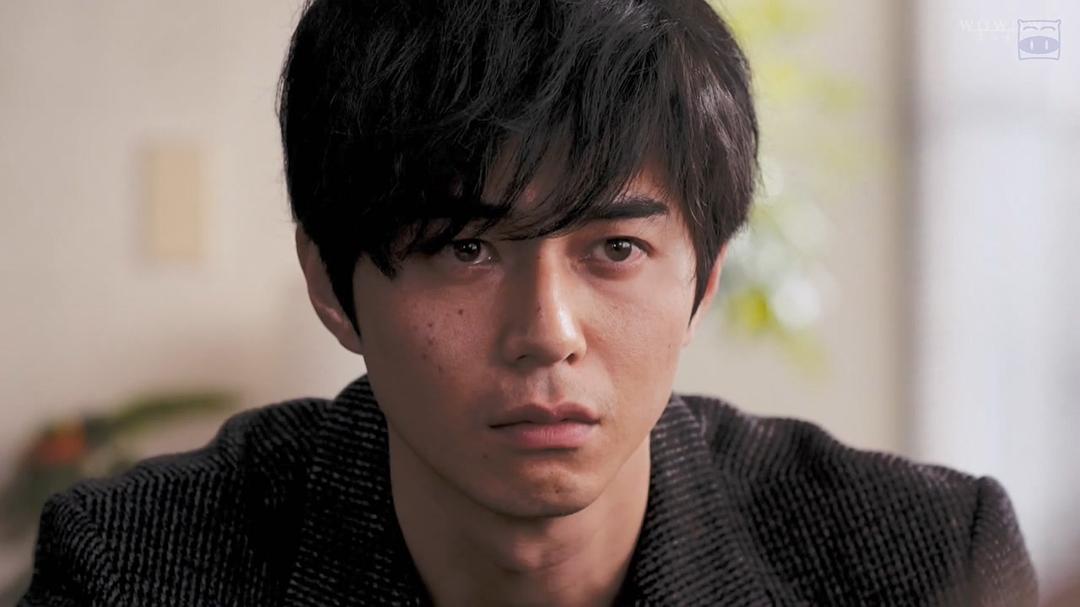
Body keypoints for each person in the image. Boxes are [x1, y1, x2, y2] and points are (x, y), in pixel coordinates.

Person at [21, 1, 1038, 605]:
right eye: (463, 248)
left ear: (706, 278)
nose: (547, 333)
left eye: (616, 249)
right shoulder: (131, 570)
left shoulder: (924, 561)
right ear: (331, 283)